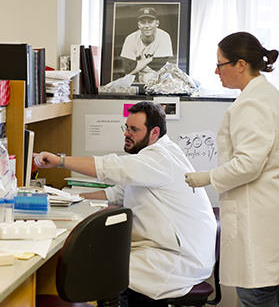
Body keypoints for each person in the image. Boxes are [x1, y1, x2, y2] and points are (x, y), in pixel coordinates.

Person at [33, 101, 216, 306]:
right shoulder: (152, 157)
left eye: (134, 130)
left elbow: (113, 167)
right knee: (104, 263)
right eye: (126, 127)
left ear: (154, 132)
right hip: (166, 249)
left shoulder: (160, 158)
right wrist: (67, 198)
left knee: (104, 269)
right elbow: (116, 193)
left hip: (178, 259)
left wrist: (61, 161)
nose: (127, 133)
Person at [184, 32, 279, 307]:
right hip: (268, 211)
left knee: (256, 295)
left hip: (260, 216)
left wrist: (206, 178)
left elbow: (248, 164)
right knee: (270, 293)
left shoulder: (253, 102)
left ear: (240, 65)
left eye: (220, 64)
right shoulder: (265, 95)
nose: (216, 71)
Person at [119, 7, 174, 83]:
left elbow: (159, 67)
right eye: (143, 22)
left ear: (157, 23)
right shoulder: (131, 39)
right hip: (135, 76)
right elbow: (128, 69)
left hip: (158, 75)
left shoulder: (164, 36)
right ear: (139, 25)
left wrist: (137, 66)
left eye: (150, 22)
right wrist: (150, 60)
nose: (146, 26)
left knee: (150, 77)